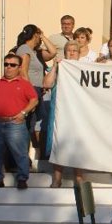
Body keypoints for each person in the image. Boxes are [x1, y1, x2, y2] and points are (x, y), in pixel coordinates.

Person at [0, 54, 39, 190]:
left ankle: (22, 179)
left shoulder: (24, 84)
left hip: (15, 124)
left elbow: (34, 99)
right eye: (6, 64)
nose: (8, 67)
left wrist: (23, 113)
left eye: (12, 65)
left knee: (20, 153)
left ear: (19, 68)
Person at [43, 41, 83, 188]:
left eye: (75, 51)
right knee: (57, 143)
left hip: (78, 114)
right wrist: (55, 66)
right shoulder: (58, 68)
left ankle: (78, 178)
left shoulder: (84, 69)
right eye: (69, 50)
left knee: (78, 144)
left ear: (79, 54)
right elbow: (47, 84)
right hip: (58, 112)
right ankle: (57, 178)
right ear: (64, 53)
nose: (72, 53)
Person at [15, 24, 58, 155]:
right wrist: (31, 94)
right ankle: (21, 157)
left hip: (37, 90)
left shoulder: (35, 52)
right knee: (27, 125)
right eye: (39, 34)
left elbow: (53, 52)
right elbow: (23, 72)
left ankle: (25, 157)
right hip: (30, 90)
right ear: (35, 35)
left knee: (31, 125)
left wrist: (43, 36)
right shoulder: (24, 49)